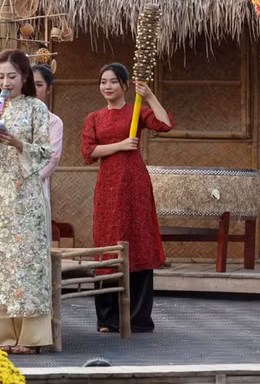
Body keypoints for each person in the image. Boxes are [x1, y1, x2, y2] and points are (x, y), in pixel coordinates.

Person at [81, 63, 173, 333]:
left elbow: (165, 124)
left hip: (135, 184)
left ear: (124, 85)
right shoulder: (94, 117)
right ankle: (107, 318)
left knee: (139, 242)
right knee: (108, 243)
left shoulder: (136, 111)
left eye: (113, 81)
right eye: (103, 82)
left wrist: (149, 96)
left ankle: (138, 318)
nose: (107, 86)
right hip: (108, 187)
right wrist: (120, 145)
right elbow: (88, 152)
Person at [0, 49, 52, 354]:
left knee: (27, 261)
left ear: (25, 76)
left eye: (12, 76)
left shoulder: (36, 109)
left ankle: (30, 337)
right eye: (1, 76)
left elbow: (45, 152)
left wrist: (18, 143)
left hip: (26, 196)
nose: (5, 82)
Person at [33, 64, 63, 241]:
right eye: (29, 84)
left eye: (39, 85)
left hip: (36, 185)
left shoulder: (53, 122)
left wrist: (29, 180)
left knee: (36, 238)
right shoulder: (8, 115)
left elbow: (52, 158)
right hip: (8, 186)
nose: (33, 89)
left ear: (48, 89)